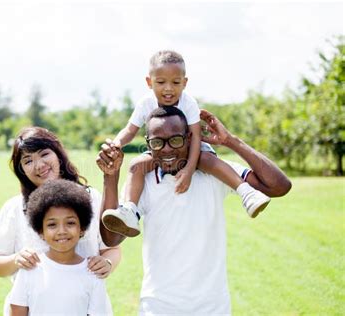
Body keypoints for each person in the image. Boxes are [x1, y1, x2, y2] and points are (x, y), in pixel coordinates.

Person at [97, 107, 291, 314]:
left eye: (176, 140)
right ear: (147, 144)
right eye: (156, 142)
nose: (166, 149)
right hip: (158, 306)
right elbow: (111, 239)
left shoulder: (216, 171)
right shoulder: (143, 180)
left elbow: (278, 186)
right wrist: (111, 176)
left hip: (212, 307)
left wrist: (230, 140)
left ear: (191, 139)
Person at [102, 50, 271, 238]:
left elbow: (196, 138)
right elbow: (130, 131)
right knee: (136, 166)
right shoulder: (145, 103)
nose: (168, 88)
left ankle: (247, 193)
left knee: (207, 159)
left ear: (184, 83)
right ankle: (130, 211)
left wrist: (189, 171)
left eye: (175, 82)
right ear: (149, 82)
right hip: (162, 150)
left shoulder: (189, 103)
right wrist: (116, 144)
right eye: (160, 82)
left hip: (192, 149)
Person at [0, 127, 121, 315]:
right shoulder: (14, 208)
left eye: (44, 154)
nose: (39, 164)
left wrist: (106, 263)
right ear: (21, 170)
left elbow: (112, 249)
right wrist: (16, 259)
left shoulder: (91, 198)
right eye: (28, 161)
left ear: (58, 154)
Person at [9, 179, 112, 315]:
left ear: (82, 228)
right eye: (52, 225)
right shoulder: (29, 270)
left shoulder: (93, 273)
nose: (61, 231)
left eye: (70, 223)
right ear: (41, 231)